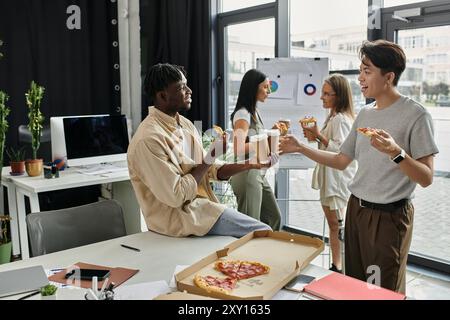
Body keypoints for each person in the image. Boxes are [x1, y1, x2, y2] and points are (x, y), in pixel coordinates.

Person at [280, 40, 439, 294]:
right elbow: (341, 160)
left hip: (389, 217)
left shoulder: (416, 115)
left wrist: (396, 153)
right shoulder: (365, 114)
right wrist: (301, 147)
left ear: (388, 77)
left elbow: (427, 177)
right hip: (356, 209)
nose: (360, 78)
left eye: (367, 71)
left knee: (378, 291)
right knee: (353, 286)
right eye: (360, 70)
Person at [127, 63, 274, 239]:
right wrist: (211, 156)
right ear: (162, 95)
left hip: (204, 210)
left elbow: (208, 170)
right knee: (264, 234)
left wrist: (251, 164)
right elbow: (177, 195)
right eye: (182, 87)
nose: (189, 90)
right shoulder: (148, 140)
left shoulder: (186, 125)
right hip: (179, 220)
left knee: (262, 232)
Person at [301, 74, 357, 273]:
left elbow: (341, 152)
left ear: (339, 96)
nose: (321, 97)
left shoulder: (341, 120)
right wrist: (316, 136)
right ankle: (337, 265)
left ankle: (339, 267)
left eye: (327, 94)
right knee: (335, 224)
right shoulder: (333, 117)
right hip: (331, 179)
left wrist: (318, 136)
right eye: (322, 93)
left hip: (336, 180)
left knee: (336, 225)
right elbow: (329, 145)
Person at [229, 69, 282, 231]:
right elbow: (238, 148)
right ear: (254, 88)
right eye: (265, 87)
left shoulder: (253, 112)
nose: (268, 91)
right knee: (250, 226)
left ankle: (264, 254)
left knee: (274, 217)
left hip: (257, 174)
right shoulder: (243, 114)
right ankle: (247, 256)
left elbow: (252, 138)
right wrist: (266, 140)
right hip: (247, 174)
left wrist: (269, 133)